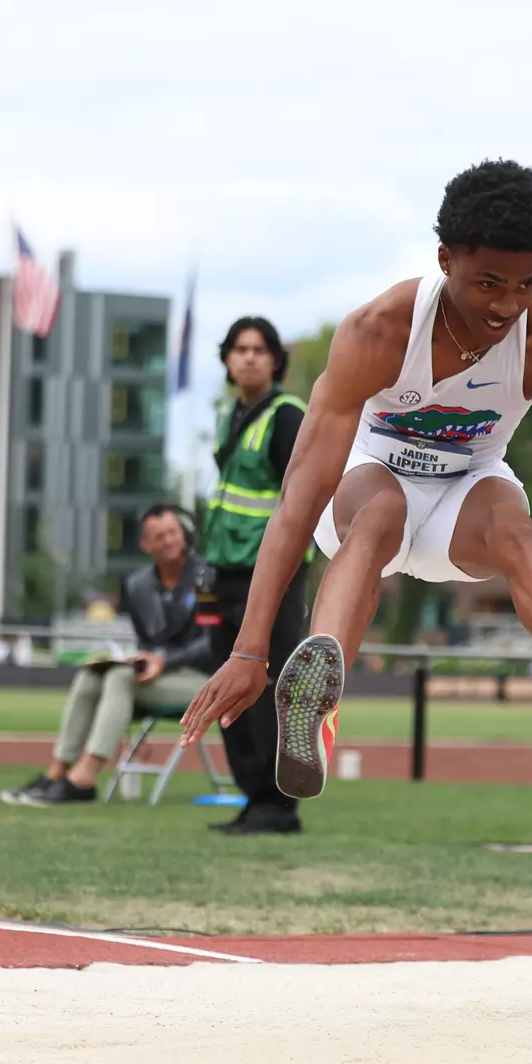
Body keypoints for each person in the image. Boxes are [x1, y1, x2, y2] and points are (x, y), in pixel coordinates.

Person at [180, 158, 532, 806]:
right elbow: (300, 498)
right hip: (366, 483)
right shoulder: (377, 331)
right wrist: (250, 651)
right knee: (381, 511)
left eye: (528, 283)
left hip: (465, 498)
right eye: (488, 282)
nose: (507, 305)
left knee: (513, 520)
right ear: (445, 259)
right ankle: (316, 705)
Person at [0, 504, 214, 806]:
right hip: (158, 678)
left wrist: (164, 661)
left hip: (204, 680)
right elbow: (148, 642)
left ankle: (84, 779)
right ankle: (57, 773)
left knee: (120, 678)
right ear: (145, 545)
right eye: (159, 536)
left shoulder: (206, 578)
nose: (168, 541)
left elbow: (213, 643)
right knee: (91, 675)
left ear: (184, 535)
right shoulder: (137, 586)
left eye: (173, 533)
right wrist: (142, 660)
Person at [197, 317, 310, 835]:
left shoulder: (287, 417)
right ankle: (252, 797)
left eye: (259, 349)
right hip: (225, 571)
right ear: (226, 359)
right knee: (228, 687)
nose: (248, 358)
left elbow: (303, 501)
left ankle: (277, 805)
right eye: (239, 349)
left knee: (267, 689)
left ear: (275, 360)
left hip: (270, 577)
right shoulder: (231, 416)